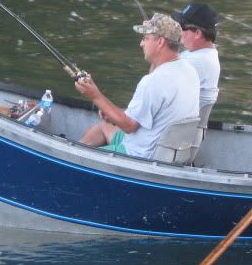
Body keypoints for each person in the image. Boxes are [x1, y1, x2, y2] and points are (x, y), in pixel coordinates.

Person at [75, 13, 200, 160]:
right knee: (103, 126)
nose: (141, 44)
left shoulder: (153, 82)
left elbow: (129, 126)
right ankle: (77, 149)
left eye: (145, 38)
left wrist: (94, 95)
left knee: (75, 157)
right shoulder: (189, 70)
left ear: (160, 42)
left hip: (138, 155)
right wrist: (112, 112)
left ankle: (71, 158)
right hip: (169, 153)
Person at [171, 2, 220, 112]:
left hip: (172, 127)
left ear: (198, 33)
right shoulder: (207, 53)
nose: (179, 31)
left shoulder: (193, 62)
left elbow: (154, 85)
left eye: (182, 27)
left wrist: (153, 40)